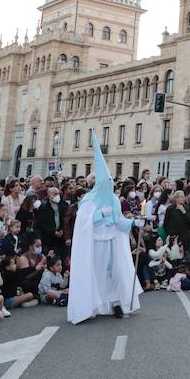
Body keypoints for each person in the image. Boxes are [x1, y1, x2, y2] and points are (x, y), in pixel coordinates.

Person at [68, 133, 143, 323]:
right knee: (97, 274)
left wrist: (134, 223)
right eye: (107, 183)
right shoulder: (89, 200)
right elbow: (83, 222)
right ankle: (95, 304)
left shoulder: (114, 200)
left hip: (111, 243)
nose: (110, 187)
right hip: (95, 244)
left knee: (114, 274)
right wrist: (99, 215)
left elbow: (118, 221)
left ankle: (116, 303)